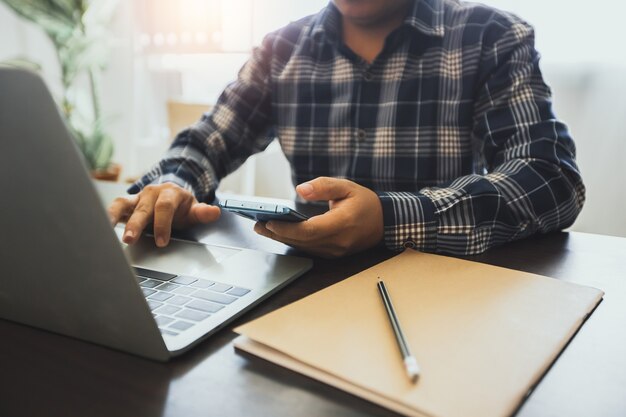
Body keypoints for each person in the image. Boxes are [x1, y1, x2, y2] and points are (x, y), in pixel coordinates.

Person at [108, 0, 585, 258]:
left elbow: (548, 178)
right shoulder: (283, 48)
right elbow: (208, 141)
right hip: (301, 283)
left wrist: (391, 218)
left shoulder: (491, 36)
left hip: (443, 290)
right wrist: (174, 184)